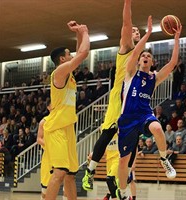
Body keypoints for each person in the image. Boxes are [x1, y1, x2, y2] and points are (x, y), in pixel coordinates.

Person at [117, 16, 181, 199]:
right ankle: (122, 193)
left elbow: (172, 64)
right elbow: (135, 51)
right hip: (127, 119)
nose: (145, 57)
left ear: (152, 63)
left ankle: (163, 159)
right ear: (138, 60)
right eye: (143, 56)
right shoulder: (130, 72)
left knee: (157, 128)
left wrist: (176, 40)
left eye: (149, 56)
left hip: (144, 114)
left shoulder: (154, 78)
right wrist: (148, 34)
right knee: (123, 162)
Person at [82, 0, 141, 191]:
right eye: (134, 31)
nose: (136, 32)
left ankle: (123, 183)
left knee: (132, 140)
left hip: (132, 101)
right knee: (108, 133)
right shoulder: (126, 46)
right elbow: (126, 22)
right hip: (119, 97)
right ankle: (90, 172)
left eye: (138, 32)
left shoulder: (140, 57)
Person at [43, 20, 90, 200]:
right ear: (62, 59)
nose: (72, 56)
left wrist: (78, 32)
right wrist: (85, 31)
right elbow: (84, 53)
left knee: (71, 174)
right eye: (69, 54)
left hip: (67, 127)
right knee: (60, 172)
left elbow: (79, 52)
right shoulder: (60, 72)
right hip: (56, 128)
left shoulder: (68, 73)